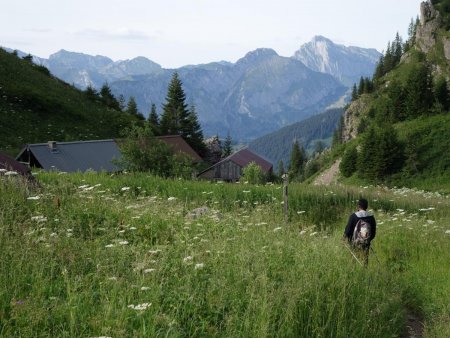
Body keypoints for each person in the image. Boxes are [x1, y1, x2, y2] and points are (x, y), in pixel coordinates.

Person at [343, 198, 376, 266]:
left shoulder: (354, 216)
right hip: (366, 242)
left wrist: (344, 238)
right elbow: (373, 232)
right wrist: (368, 239)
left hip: (354, 242)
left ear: (358, 206)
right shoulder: (371, 217)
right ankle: (365, 271)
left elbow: (348, 230)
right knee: (365, 259)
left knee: (353, 260)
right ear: (366, 206)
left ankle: (353, 271)